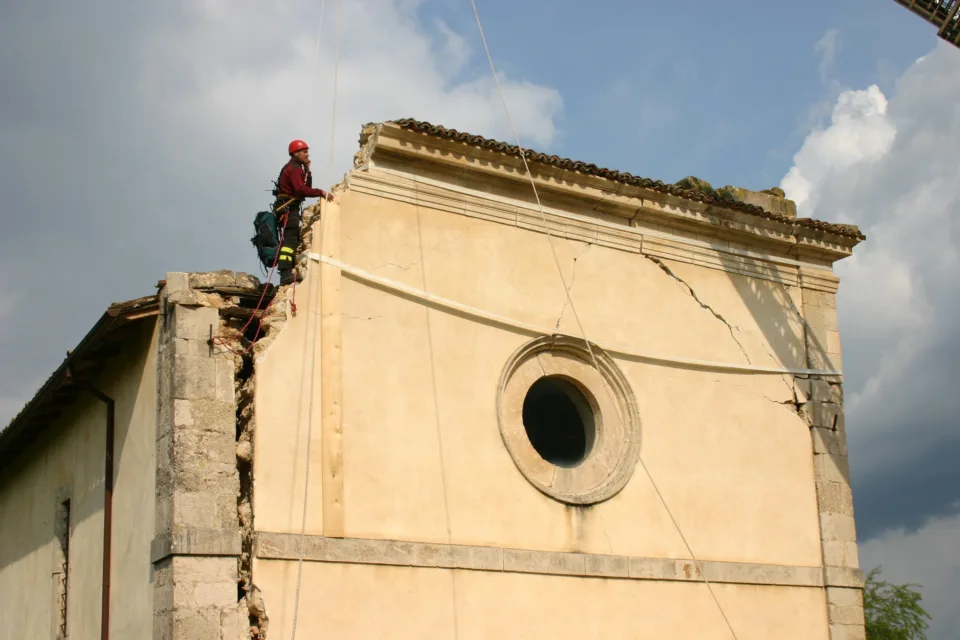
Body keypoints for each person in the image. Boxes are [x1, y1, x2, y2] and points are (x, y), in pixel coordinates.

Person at [273, 139, 334, 285]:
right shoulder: (293, 168)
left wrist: (308, 170)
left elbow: (305, 187)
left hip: (289, 209)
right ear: (296, 153)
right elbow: (301, 190)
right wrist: (321, 192)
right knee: (289, 241)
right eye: (305, 152)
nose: (308, 155)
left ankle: (286, 272)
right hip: (288, 210)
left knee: (291, 239)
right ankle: (285, 274)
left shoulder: (297, 168)